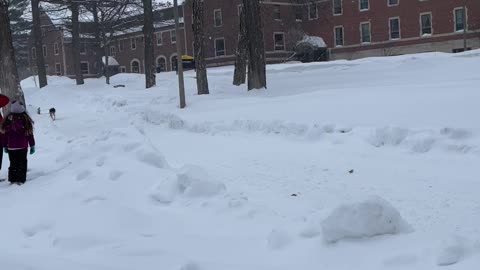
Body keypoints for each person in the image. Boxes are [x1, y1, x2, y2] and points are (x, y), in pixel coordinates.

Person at [1, 101, 35, 185]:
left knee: (13, 163)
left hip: (11, 147)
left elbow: (4, 135)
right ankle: (21, 179)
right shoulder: (25, 120)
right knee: (22, 162)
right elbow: (29, 134)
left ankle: (12, 179)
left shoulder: (8, 121)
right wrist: (32, 145)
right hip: (22, 146)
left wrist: (5, 145)